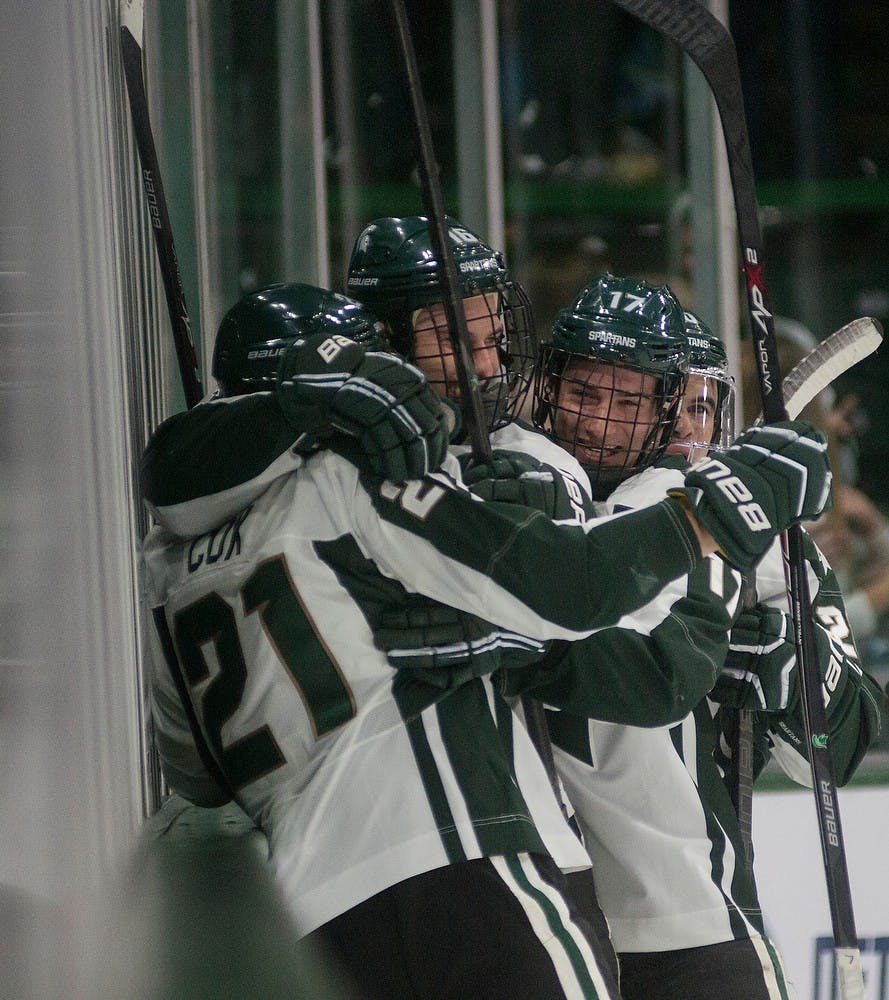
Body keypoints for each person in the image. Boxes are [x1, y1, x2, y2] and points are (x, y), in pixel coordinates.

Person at [141, 276, 830, 1000]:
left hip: (315, 911)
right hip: (464, 855)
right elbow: (578, 591)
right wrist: (715, 517)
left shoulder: (162, 565)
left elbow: (196, 772)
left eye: (629, 399)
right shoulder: (349, 480)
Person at [375, 288, 882, 1000]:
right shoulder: (532, 494)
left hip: (680, 928)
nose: (672, 430)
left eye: (699, 410)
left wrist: (780, 653)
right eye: (594, 392)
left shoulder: (762, 542)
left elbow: (837, 745)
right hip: (518, 918)